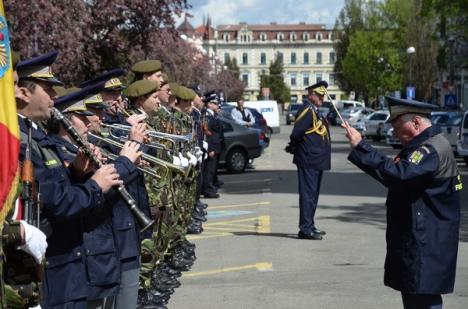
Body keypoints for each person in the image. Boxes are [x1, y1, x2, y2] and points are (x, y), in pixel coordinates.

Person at [342, 96, 462, 309]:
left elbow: (399, 175)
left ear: (416, 122)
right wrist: (361, 148)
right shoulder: (425, 146)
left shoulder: (430, 149)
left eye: (398, 126)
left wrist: (361, 147)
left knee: (424, 299)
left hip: (428, 241)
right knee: (416, 294)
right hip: (423, 238)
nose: (395, 132)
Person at [286, 80, 330, 240]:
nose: (322, 98)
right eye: (319, 95)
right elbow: (296, 134)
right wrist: (295, 147)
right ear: (311, 95)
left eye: (323, 95)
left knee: (313, 195)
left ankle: (310, 224)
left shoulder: (314, 110)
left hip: (315, 160)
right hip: (308, 159)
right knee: (308, 195)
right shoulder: (307, 111)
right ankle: (305, 229)